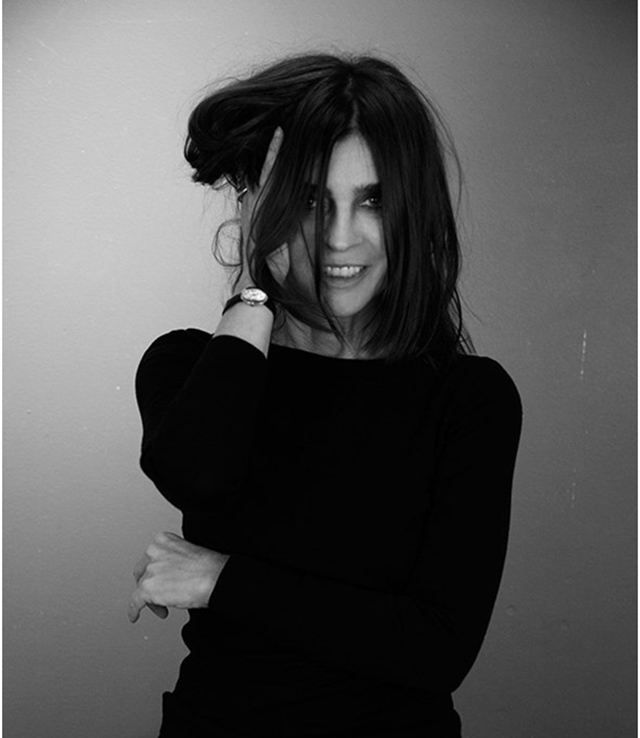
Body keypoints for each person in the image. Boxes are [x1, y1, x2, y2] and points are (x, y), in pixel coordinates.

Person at [128, 52, 522, 738]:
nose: (339, 238)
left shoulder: (469, 399)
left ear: (413, 211)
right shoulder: (191, 364)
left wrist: (221, 580)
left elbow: (436, 648)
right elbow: (198, 476)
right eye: (309, 200)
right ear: (267, 209)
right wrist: (255, 292)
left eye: (372, 200)